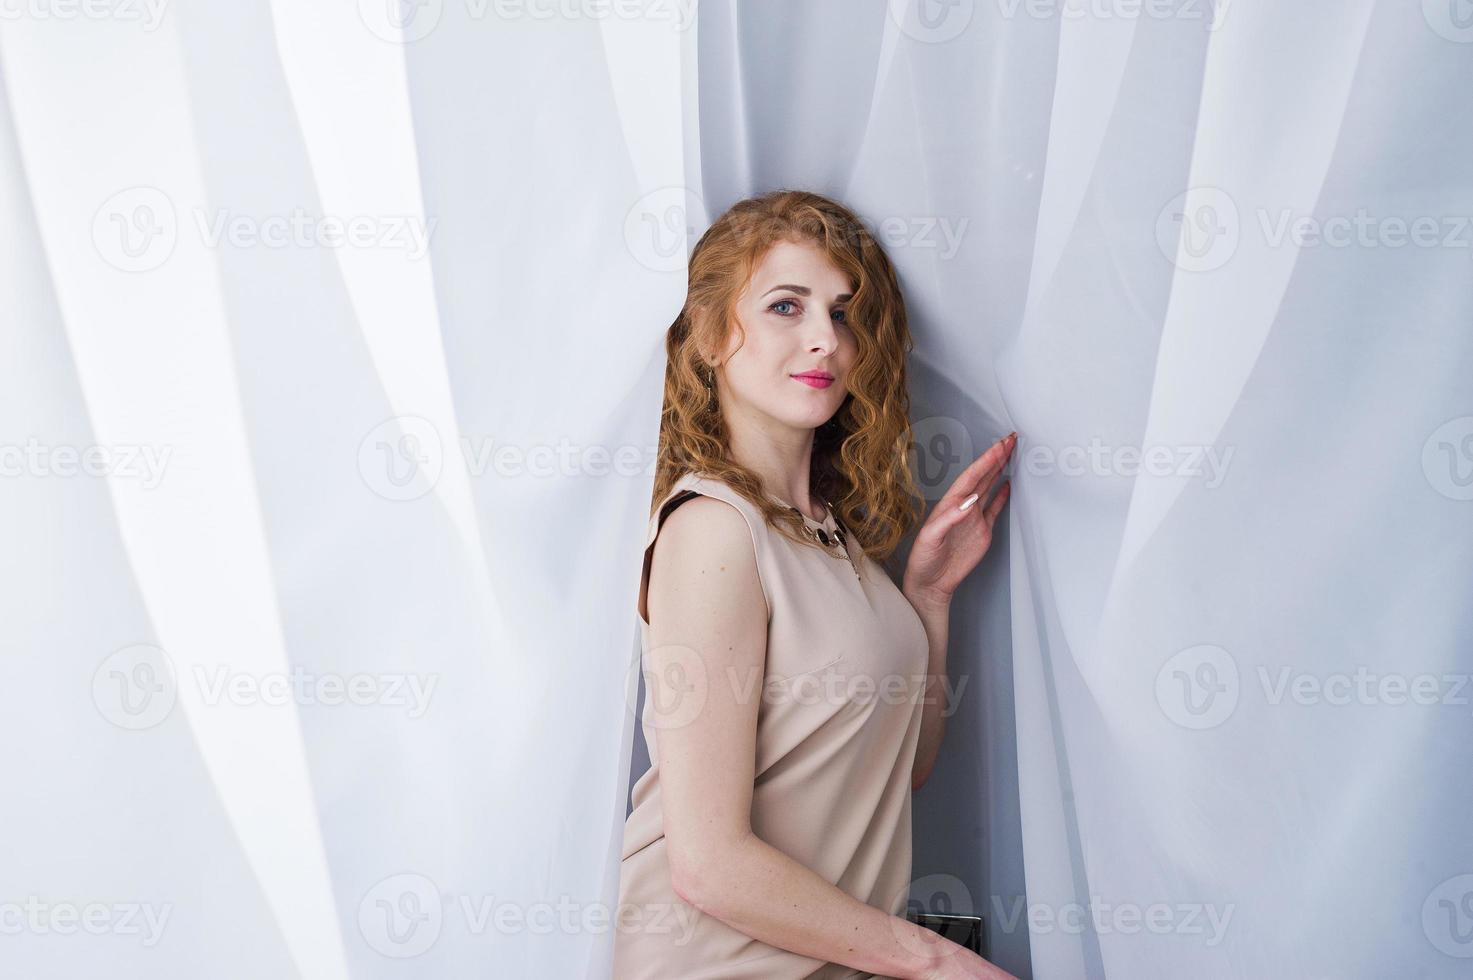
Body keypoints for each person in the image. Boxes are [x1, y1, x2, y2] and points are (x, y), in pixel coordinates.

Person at [613, 190, 1018, 980]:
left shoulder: (833, 538)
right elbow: (708, 864)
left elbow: (898, 770)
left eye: (841, 313)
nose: (823, 340)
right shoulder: (713, 531)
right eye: (784, 306)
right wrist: (939, 963)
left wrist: (927, 597)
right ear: (707, 333)